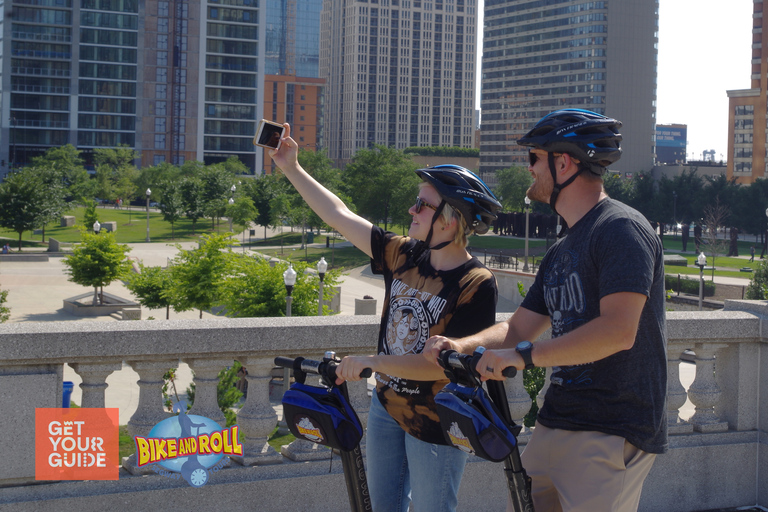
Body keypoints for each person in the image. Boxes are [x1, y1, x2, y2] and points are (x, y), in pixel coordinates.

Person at [424, 109, 668, 512]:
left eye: (534, 158)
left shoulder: (621, 229)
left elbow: (618, 331)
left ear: (564, 162)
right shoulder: (561, 250)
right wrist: (462, 346)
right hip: (555, 421)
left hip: (612, 426)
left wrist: (523, 357)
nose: (530, 169)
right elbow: (518, 327)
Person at [269, 123, 502, 512]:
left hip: (437, 420)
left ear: (450, 218)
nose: (412, 209)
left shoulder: (476, 283)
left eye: (423, 205)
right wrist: (291, 167)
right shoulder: (404, 254)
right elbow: (338, 215)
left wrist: (372, 362)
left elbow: (443, 369)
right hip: (385, 407)